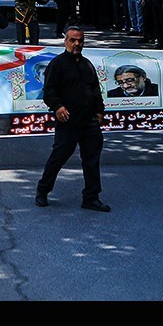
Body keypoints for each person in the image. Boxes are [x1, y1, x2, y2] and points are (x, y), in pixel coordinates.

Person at [35, 27, 109, 212]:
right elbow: (49, 92)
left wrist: (100, 111)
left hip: (89, 122)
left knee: (91, 160)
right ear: (65, 42)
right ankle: (42, 190)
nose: (77, 44)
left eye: (80, 41)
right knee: (58, 158)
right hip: (68, 122)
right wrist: (58, 107)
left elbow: (95, 90)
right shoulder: (57, 64)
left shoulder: (87, 65)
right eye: (73, 40)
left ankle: (91, 197)